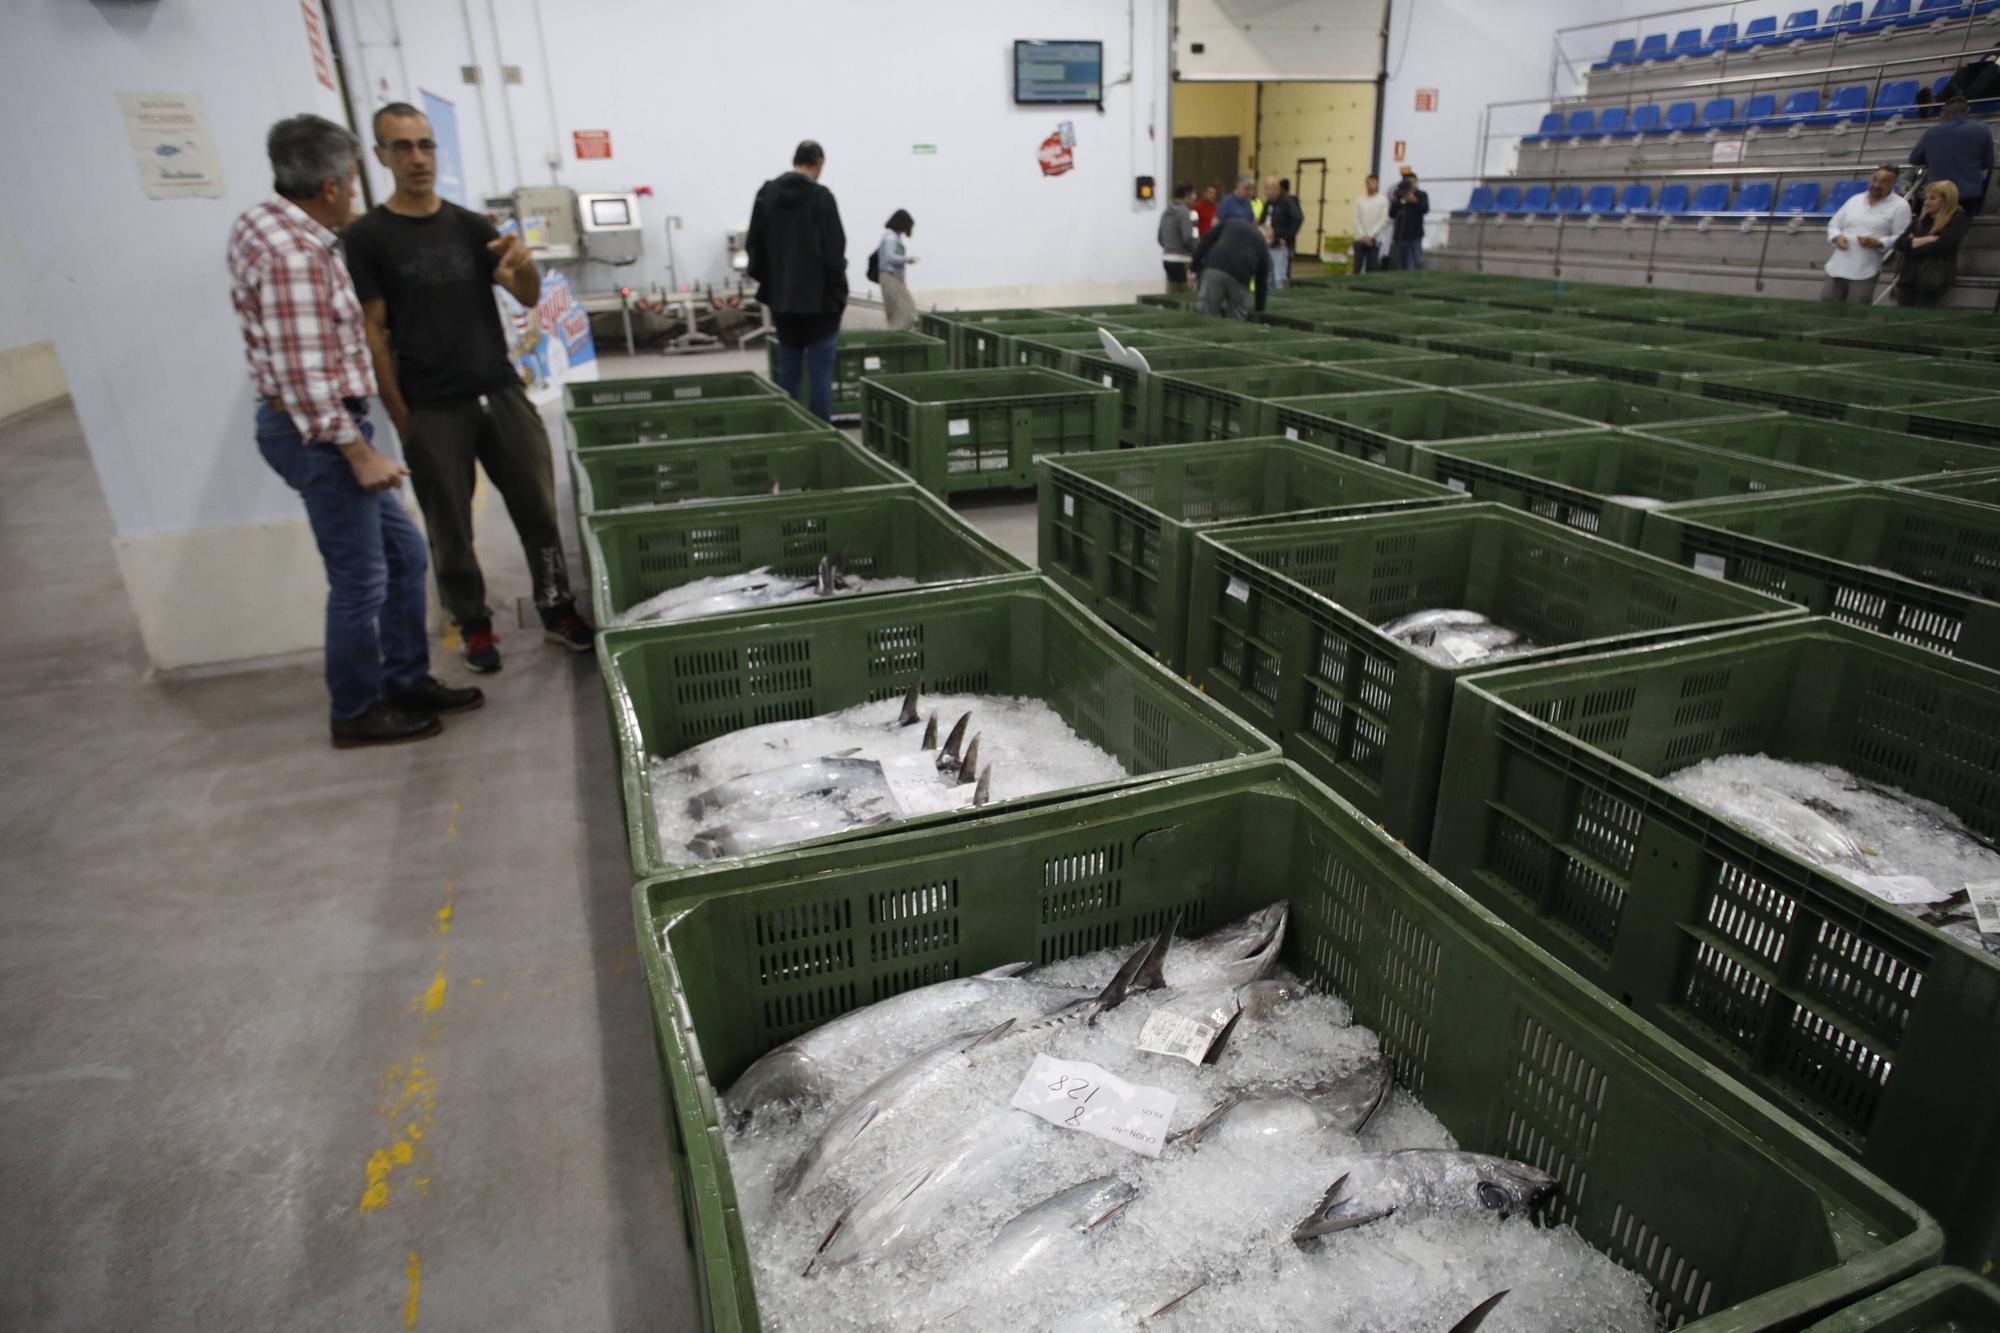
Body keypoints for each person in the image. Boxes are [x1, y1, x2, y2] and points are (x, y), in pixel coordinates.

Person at [229, 115, 481, 748]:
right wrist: (357, 449)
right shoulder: (295, 255)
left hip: (322, 424)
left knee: (405, 554)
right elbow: (302, 372)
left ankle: (405, 678)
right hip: (319, 433)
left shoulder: (267, 224)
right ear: (333, 183)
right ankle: (356, 709)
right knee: (361, 579)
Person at [344, 103, 593, 677]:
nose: (417, 158)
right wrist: (401, 417)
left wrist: (525, 265)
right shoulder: (369, 237)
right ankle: (474, 624)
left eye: (425, 145)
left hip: (499, 391)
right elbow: (374, 331)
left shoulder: (470, 226)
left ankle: (556, 608)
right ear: (380, 156)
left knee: (537, 509)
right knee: (449, 524)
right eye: (401, 147)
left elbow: (527, 295)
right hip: (431, 402)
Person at [747, 139, 850, 423]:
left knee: (789, 372)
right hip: (820, 304)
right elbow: (835, 250)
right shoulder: (822, 197)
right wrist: (838, 293)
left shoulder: (766, 195)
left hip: (783, 301)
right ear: (819, 163)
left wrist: (774, 285)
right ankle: (820, 436)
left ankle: (790, 429)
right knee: (819, 374)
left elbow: (754, 246)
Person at [1820, 166, 1911, 304]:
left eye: (1883, 181)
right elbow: (1834, 224)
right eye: (1874, 180)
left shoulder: (1900, 206)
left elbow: (1902, 237)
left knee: (1856, 313)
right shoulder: (1854, 200)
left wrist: (1879, 242)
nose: (1877, 185)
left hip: (1865, 271)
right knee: (1825, 310)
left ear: (1893, 183)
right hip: (1836, 268)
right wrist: (1837, 236)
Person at [1891, 179, 1972, 307]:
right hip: (1908, 279)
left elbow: (1942, 245)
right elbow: (1899, 243)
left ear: (1946, 200)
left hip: (1931, 279)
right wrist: (1926, 239)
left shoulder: (1957, 220)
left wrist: (1913, 242)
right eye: (1926, 198)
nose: (1927, 202)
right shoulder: (1920, 220)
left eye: (1932, 199)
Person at [1909, 95, 1995, 216]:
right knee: (1964, 231)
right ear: (1967, 111)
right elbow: (1989, 163)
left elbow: (1914, 159)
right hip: (1969, 194)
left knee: (1937, 230)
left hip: (1938, 194)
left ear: (1944, 113)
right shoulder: (1982, 130)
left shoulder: (1931, 133)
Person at [1191, 217, 1272, 320]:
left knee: (1207, 313)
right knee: (1236, 318)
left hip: (1215, 267)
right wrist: (1260, 310)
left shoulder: (1232, 222)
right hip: (1241, 276)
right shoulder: (1262, 246)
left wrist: (1194, 266)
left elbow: (1206, 239)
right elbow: (1261, 283)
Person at [876, 209, 918, 331]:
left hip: (892, 277)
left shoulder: (891, 236)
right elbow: (889, 257)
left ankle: (897, 333)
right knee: (903, 312)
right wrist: (907, 259)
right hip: (890, 276)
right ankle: (897, 335)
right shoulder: (891, 237)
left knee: (898, 311)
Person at [1264, 176, 1304, 290]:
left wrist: (1286, 238)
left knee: (1278, 278)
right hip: (1267, 245)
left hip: (1279, 247)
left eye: (1268, 188)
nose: (1265, 192)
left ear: (1276, 188)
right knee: (1268, 278)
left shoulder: (1287, 202)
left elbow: (1298, 218)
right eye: (1265, 188)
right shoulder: (1268, 204)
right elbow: (1263, 220)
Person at [1158, 184, 1198, 290]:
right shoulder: (1184, 212)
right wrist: (1197, 251)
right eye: (1194, 195)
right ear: (1186, 195)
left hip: (1167, 259)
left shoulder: (1165, 213)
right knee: (1186, 295)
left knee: (1172, 296)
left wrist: (1169, 247)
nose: (1195, 199)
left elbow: (1160, 238)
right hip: (1183, 260)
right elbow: (1187, 238)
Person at [1388, 172, 1430, 270]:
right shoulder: (1399, 196)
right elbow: (1391, 214)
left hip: (1415, 235)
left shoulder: (1421, 195)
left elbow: (1425, 209)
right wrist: (1398, 201)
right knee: (1398, 264)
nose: (1411, 185)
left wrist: (1415, 201)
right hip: (1400, 236)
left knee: (1414, 264)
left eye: (1413, 182)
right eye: (1409, 183)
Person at [1352, 174, 1391, 273]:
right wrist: (1363, 235)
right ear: (1365, 184)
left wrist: (1370, 235)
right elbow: (1356, 219)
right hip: (1360, 238)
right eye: (1368, 182)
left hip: (1375, 239)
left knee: (1372, 267)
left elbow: (1383, 219)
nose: (1370, 185)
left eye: (1373, 182)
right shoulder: (1359, 200)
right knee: (1357, 266)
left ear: (1377, 184)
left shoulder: (1382, 200)